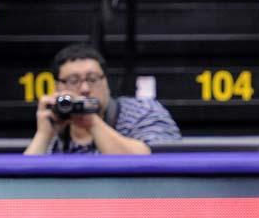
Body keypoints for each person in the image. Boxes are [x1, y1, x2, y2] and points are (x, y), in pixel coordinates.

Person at [24, 43, 181, 155]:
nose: (85, 89)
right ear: (57, 87)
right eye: (73, 80)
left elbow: (159, 166)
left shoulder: (143, 112)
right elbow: (23, 190)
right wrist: (43, 135)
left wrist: (92, 122)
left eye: (92, 79)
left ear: (106, 82)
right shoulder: (55, 123)